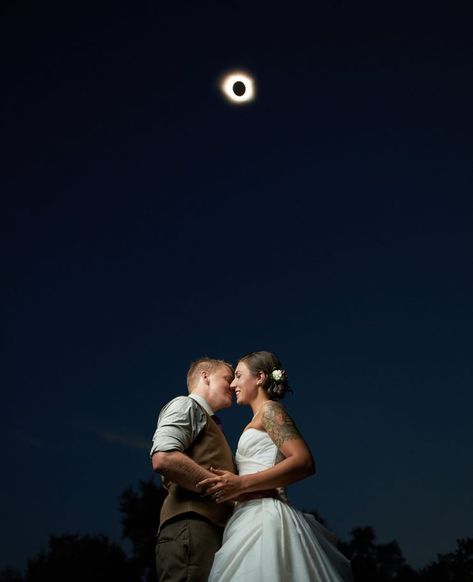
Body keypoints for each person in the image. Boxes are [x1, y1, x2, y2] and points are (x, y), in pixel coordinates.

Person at [197, 351, 353, 582]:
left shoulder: (270, 410)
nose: (233, 384)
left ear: (260, 377)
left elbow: (303, 461)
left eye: (239, 376)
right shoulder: (258, 418)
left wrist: (241, 484)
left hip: (266, 519)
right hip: (246, 516)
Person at [150, 357, 236, 582]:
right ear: (205, 376)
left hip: (211, 532)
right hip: (191, 527)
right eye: (229, 378)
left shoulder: (211, 423)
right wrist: (225, 489)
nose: (234, 385)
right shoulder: (185, 405)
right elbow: (164, 457)